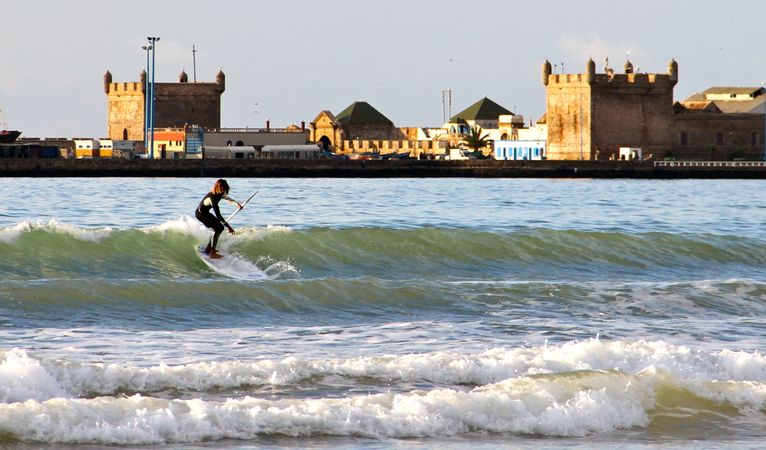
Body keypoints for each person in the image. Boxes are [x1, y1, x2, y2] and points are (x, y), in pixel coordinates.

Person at [195, 179, 242, 259]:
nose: (224, 191)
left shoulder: (220, 194)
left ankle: (208, 249)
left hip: (206, 213)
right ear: (218, 188)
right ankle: (212, 252)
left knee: (218, 228)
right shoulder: (212, 198)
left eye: (225, 189)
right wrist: (229, 227)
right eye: (222, 189)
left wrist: (237, 204)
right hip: (201, 214)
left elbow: (228, 198)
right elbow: (218, 216)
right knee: (218, 228)